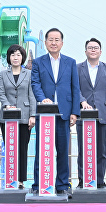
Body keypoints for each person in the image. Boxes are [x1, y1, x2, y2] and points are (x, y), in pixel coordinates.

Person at [31, 28, 80, 197]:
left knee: (62, 150)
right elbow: (35, 84)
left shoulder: (70, 62)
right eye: (50, 40)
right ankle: (38, 183)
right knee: (42, 149)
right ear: (45, 43)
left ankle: (62, 184)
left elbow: (75, 88)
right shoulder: (38, 62)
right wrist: (42, 99)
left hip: (64, 113)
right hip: (45, 113)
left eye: (57, 39)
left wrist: (75, 112)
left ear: (62, 43)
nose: (53, 43)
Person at [0, 44, 36, 189]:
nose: (15, 57)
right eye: (13, 54)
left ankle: (20, 180)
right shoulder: (3, 74)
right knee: (10, 148)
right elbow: (1, 93)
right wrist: (7, 106)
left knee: (22, 148)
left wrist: (33, 115)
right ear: (9, 57)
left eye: (18, 55)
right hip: (7, 117)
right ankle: (10, 178)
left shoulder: (29, 74)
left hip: (25, 116)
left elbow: (32, 95)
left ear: (23, 57)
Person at [76, 38, 106, 189]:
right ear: (85, 51)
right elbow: (74, 89)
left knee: (101, 150)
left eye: (96, 48)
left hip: (103, 113)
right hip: (84, 113)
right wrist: (82, 101)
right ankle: (83, 180)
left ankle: (100, 181)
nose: (93, 50)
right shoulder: (77, 68)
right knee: (84, 149)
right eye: (90, 48)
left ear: (100, 52)